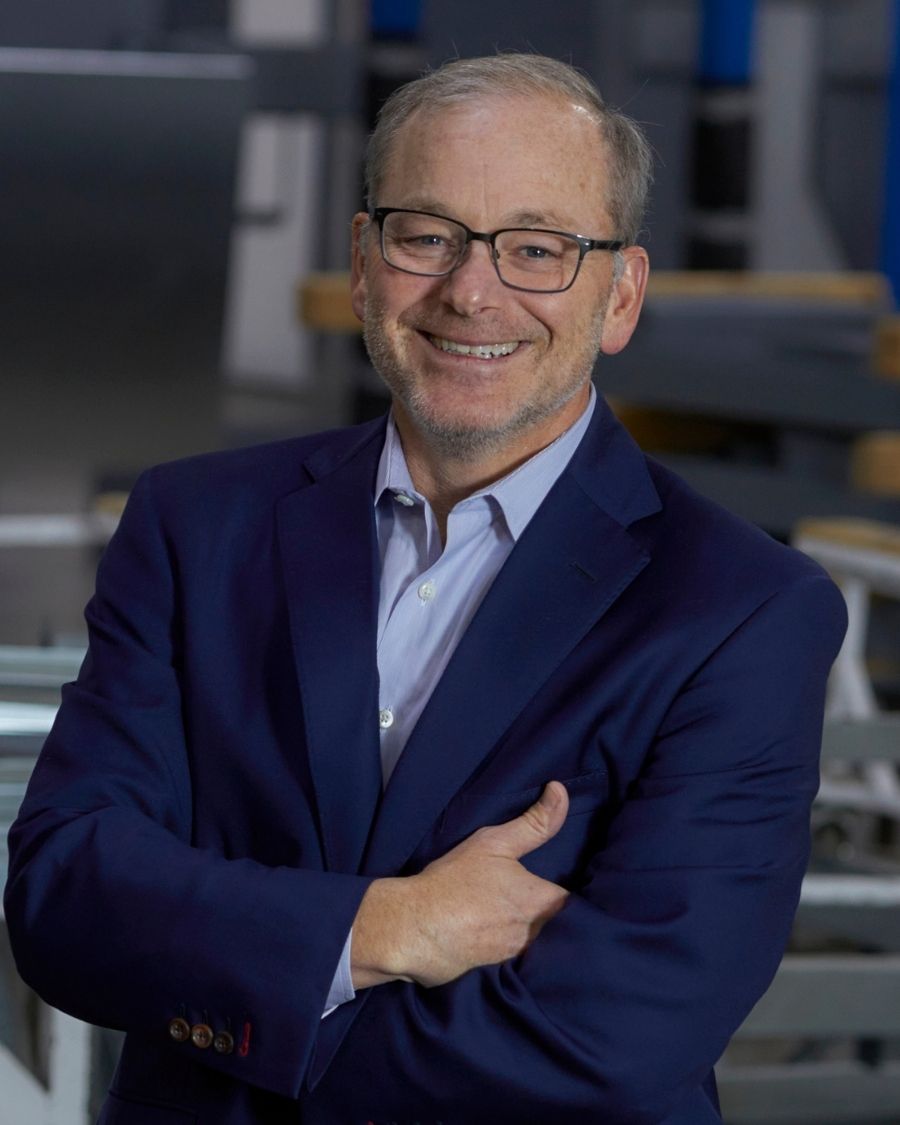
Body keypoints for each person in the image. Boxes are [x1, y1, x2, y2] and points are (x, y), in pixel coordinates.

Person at [5, 54, 847, 1125]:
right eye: (427, 236)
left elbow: (613, 1043)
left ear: (621, 294)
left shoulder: (743, 610)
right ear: (364, 263)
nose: (472, 291)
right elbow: (65, 897)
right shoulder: (196, 526)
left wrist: (243, 994)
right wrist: (385, 928)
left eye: (537, 248)